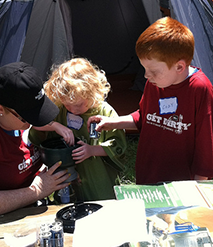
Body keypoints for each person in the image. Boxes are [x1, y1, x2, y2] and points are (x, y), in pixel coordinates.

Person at [88, 17, 213, 184]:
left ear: (179, 67)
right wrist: (114, 122)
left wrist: (199, 185)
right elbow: (146, 116)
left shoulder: (200, 89)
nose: (147, 75)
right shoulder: (154, 83)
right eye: (144, 69)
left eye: (153, 71)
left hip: (184, 183)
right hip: (150, 174)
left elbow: (206, 144)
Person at [0, 60, 70, 219]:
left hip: (29, 210)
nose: (32, 123)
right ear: (0, 109)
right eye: (27, 118)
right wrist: (37, 190)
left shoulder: (12, 116)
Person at [29, 57, 131, 201]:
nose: (73, 110)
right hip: (67, 171)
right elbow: (35, 125)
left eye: (78, 105)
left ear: (92, 92)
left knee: (100, 204)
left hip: (96, 172)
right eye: (68, 105)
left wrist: (92, 150)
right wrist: (56, 126)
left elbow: (118, 145)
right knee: (68, 203)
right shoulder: (60, 109)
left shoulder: (104, 112)